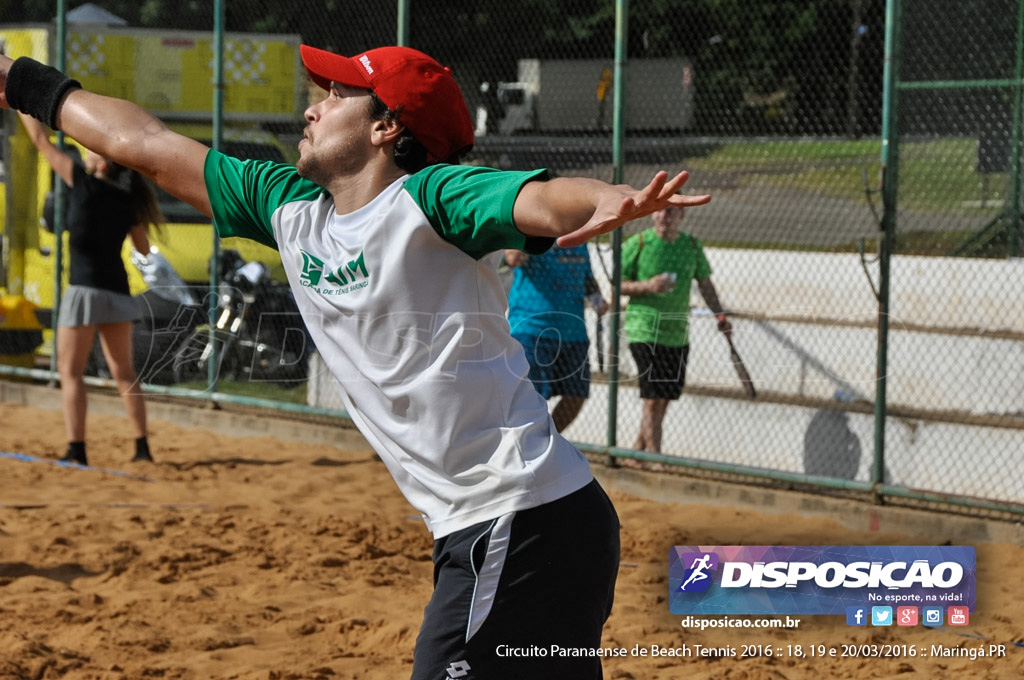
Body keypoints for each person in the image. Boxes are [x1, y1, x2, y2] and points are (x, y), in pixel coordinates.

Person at [0, 45, 710, 679]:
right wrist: (20, 83)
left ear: (386, 128)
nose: (314, 106)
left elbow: (539, 199)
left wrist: (609, 199)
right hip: (506, 528)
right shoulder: (291, 208)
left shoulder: (429, 198)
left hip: (518, 523)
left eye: (339, 95)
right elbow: (143, 142)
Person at [17, 111, 160, 467]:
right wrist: (128, 217)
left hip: (83, 291)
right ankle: (142, 447)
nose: (86, 151)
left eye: (92, 149)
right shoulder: (126, 199)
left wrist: (21, 100)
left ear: (103, 162)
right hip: (116, 294)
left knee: (70, 373)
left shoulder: (80, 181)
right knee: (123, 373)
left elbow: (40, 142)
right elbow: (143, 249)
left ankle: (77, 449)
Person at [620, 205, 731, 454]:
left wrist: (720, 316)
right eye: (659, 210)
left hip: (677, 333)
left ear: (682, 215)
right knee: (651, 396)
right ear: (651, 214)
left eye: (671, 211)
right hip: (644, 329)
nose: (664, 216)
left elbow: (705, 283)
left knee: (664, 397)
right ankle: (656, 457)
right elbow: (618, 284)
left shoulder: (691, 246)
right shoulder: (638, 243)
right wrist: (648, 286)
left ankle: (638, 452)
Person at [504, 245, 608, 432]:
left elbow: (587, 276)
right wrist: (535, 234)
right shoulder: (534, 226)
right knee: (530, 398)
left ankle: (543, 441)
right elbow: (512, 258)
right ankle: (526, 446)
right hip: (532, 330)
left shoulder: (579, 236)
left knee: (576, 395)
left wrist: (597, 299)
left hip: (573, 332)